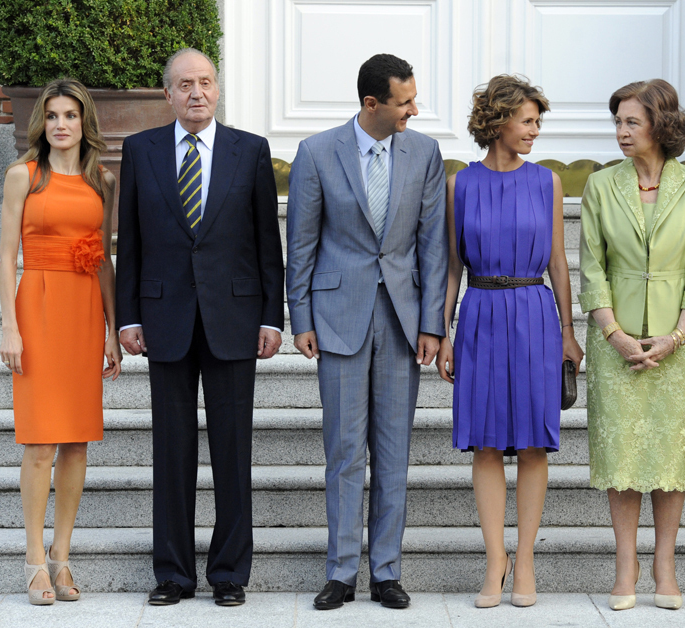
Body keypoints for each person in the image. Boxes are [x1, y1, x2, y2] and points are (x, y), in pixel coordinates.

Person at [116, 48, 285, 607]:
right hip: (163, 318)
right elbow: (131, 240)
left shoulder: (251, 151)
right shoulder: (140, 151)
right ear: (167, 94)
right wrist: (129, 315)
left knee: (233, 452)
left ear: (218, 89)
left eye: (206, 82)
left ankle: (230, 574)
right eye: (185, 84)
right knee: (172, 450)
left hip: (234, 318)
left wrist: (270, 316)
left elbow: (267, 243)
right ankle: (173, 574)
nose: (196, 92)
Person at [286, 53, 447, 611]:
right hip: (336, 318)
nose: (414, 109)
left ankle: (386, 572)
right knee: (345, 451)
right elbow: (301, 243)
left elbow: (433, 245)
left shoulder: (425, 153)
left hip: (403, 320)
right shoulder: (316, 152)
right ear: (371, 104)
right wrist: (300, 317)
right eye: (405, 101)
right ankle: (340, 572)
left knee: (393, 450)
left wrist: (434, 323)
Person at [435, 75, 582, 609]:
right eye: (527, 121)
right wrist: (445, 332)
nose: (535, 131)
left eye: (538, 122)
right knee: (488, 441)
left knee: (534, 441)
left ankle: (525, 561)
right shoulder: (461, 184)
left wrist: (569, 331)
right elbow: (453, 266)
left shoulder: (547, 182)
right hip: (479, 313)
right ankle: (495, 559)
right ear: (498, 122)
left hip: (534, 313)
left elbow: (559, 262)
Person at [578, 79, 685, 612]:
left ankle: (664, 564)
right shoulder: (600, 185)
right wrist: (612, 333)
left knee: (669, 455)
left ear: (660, 124)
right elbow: (593, 268)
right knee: (621, 457)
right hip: (614, 343)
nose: (620, 132)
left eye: (630, 122)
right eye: (617, 122)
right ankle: (625, 566)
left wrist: (677, 335)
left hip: (678, 344)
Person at [0, 78, 121, 605]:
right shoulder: (22, 176)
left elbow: (105, 259)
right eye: (52, 116)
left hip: (84, 313)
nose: (62, 124)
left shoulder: (102, 180)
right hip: (38, 308)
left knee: (76, 440)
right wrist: (8, 326)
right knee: (41, 441)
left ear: (83, 121)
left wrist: (114, 328)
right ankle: (32, 560)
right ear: (41, 124)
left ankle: (62, 556)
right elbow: (5, 256)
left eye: (71, 115)